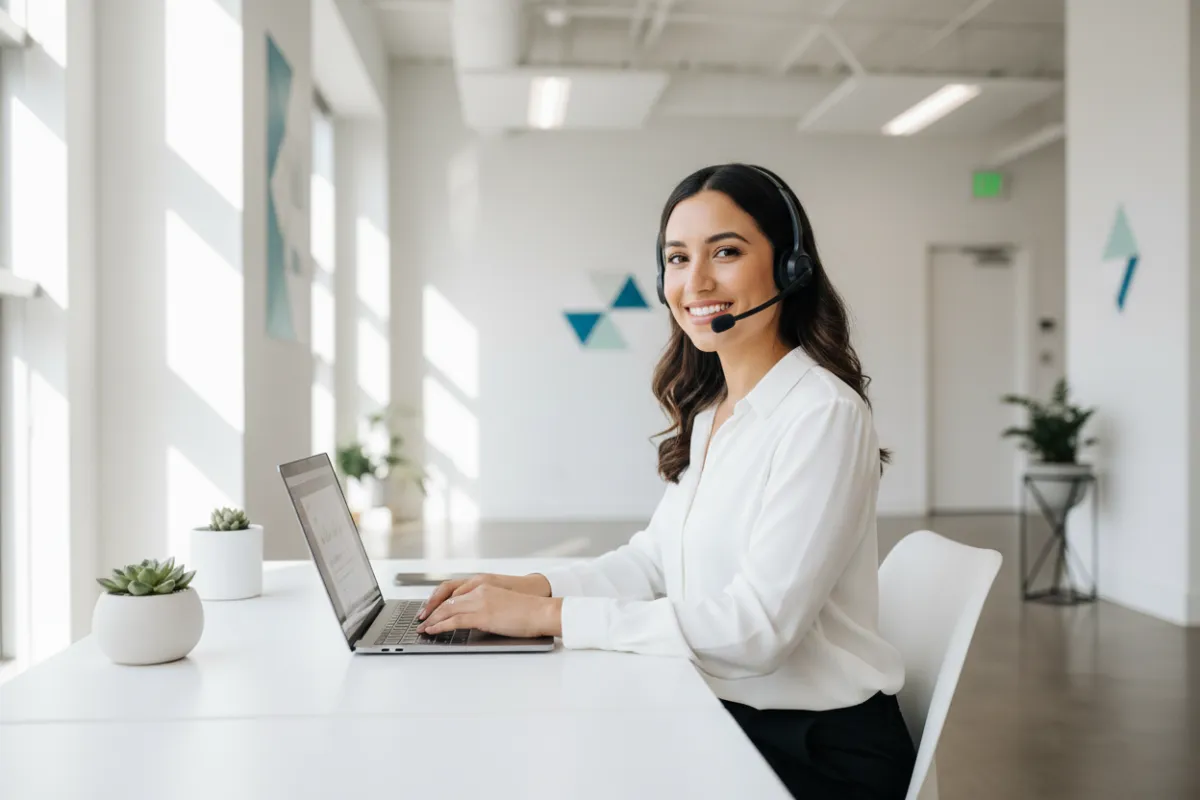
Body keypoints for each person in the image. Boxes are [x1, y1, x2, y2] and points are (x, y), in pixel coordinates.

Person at [416, 163, 916, 798]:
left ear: (791, 268)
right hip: (728, 713)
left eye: (726, 252)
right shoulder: (714, 413)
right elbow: (653, 562)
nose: (695, 281)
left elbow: (755, 631)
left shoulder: (823, 415)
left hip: (812, 751)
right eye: (676, 259)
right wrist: (524, 587)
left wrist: (549, 616)